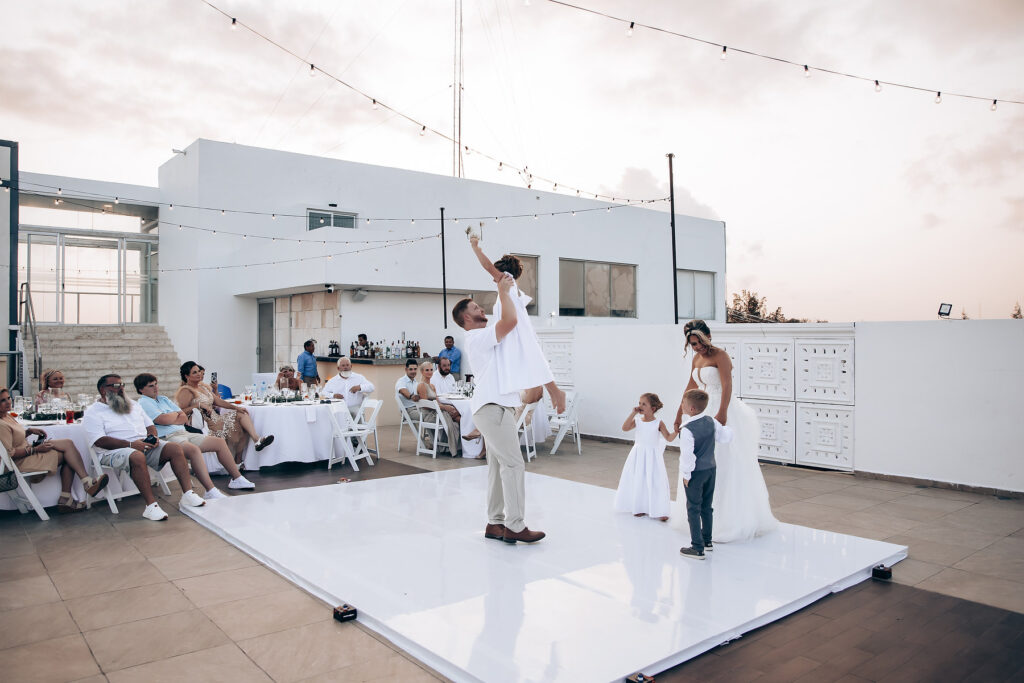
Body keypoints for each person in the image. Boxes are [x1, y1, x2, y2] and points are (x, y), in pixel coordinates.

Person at [452, 273, 545, 544]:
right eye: (475, 308)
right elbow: (511, 320)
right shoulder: (477, 337)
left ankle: (495, 523)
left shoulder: (484, 337)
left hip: (495, 406)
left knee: (497, 467)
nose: (481, 309)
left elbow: (512, 325)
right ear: (466, 318)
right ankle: (515, 525)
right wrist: (502, 291)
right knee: (514, 464)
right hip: (492, 407)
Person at [672, 319, 778, 542]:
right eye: (692, 344)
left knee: (724, 460)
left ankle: (727, 519)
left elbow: (727, 385)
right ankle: (698, 518)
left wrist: (723, 412)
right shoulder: (697, 358)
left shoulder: (721, 356)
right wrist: (679, 412)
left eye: (699, 342)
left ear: (708, 335)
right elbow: (691, 386)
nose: (697, 347)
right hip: (701, 408)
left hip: (721, 405)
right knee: (696, 459)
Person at [84, 374, 207, 521]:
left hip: (142, 444)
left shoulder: (133, 405)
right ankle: (151, 506)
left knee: (174, 448)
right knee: (136, 456)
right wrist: (130, 445)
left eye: (122, 385)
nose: (121, 388)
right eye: (116, 386)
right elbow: (99, 441)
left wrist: (153, 437)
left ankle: (188, 494)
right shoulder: (93, 412)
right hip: (113, 451)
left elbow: (150, 425)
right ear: (103, 390)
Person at [469, 235, 566, 414]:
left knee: (528, 360)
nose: (492, 278)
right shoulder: (511, 288)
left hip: (515, 330)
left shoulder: (506, 280)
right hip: (517, 330)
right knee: (532, 360)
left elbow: (487, 266)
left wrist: (476, 248)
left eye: (495, 275)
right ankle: (554, 392)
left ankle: (555, 392)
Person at [134, 373, 255, 497]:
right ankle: (210, 490)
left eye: (156, 384)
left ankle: (237, 478)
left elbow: (183, 417)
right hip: (168, 437)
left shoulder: (163, 399)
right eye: (151, 386)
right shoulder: (144, 402)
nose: (155, 388)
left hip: (183, 432)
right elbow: (164, 420)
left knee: (218, 442)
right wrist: (175, 416)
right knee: (193, 450)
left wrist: (173, 417)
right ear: (141, 390)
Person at [0, 387, 108, 513]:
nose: (8, 402)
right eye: (2, 400)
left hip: (28, 451)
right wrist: (35, 449)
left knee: (68, 445)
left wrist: (28, 432)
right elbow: (9, 454)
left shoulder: (6, 416)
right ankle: (76, 490)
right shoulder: (1, 424)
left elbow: (13, 438)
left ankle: (80, 488)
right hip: (19, 462)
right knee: (69, 454)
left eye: (8, 398)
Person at [673, 389, 734, 560]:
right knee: (707, 507)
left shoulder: (686, 429)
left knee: (693, 508)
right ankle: (707, 540)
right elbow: (724, 438)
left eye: (683, 403)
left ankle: (697, 547)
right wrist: (729, 427)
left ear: (691, 409)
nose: (681, 406)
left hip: (695, 473)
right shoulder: (711, 421)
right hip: (711, 470)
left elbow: (687, 456)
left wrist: (686, 475)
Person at [175, 361, 273, 463]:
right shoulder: (186, 391)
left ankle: (256, 441)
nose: (199, 374)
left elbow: (218, 401)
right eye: (194, 372)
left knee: (242, 415)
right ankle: (239, 460)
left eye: (199, 371)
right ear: (187, 376)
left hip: (216, 419)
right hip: (206, 424)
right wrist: (198, 405)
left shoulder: (203, 387)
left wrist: (236, 407)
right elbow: (180, 411)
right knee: (241, 423)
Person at [613, 393, 678, 521]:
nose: (640, 406)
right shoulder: (637, 421)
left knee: (655, 481)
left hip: (653, 456)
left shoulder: (658, 423)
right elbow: (625, 428)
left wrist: (676, 431)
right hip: (638, 455)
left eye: (644, 404)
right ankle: (639, 506)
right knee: (639, 479)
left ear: (653, 408)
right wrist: (633, 413)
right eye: (639, 403)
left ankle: (660, 509)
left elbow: (669, 438)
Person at [416, 360, 461, 456]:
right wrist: (445, 408)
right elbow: (426, 405)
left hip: (437, 411)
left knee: (458, 416)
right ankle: (453, 447)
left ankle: (454, 447)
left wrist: (447, 407)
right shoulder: (421, 385)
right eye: (427, 370)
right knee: (456, 416)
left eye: (431, 370)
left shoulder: (432, 386)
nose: (429, 372)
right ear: (422, 372)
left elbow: (437, 401)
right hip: (428, 415)